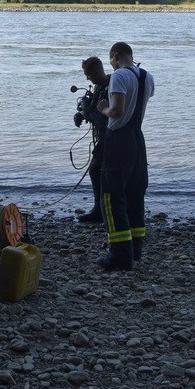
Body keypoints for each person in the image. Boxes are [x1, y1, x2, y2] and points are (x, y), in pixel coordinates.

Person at [95, 41, 154, 271]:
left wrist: (102, 108)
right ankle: (135, 250)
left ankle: (119, 256)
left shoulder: (119, 75)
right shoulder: (147, 76)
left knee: (111, 197)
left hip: (119, 139)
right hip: (138, 138)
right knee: (135, 194)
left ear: (116, 56)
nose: (111, 64)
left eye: (111, 60)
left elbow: (117, 110)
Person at [77, 56, 110, 224]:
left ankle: (100, 211)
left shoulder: (110, 87)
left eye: (88, 74)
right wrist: (81, 114)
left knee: (96, 170)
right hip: (103, 138)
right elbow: (94, 111)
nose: (87, 78)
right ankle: (101, 210)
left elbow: (104, 120)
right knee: (97, 171)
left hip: (110, 138)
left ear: (96, 71)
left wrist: (86, 109)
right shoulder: (99, 87)